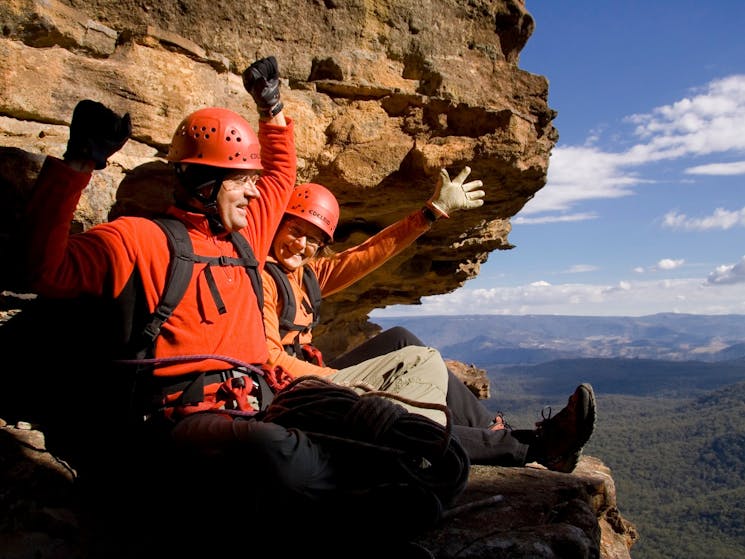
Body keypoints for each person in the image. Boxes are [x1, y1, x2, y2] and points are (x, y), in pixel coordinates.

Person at [25, 56, 459, 556]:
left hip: (266, 400)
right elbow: (44, 271)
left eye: (253, 180)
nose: (257, 193)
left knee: (391, 400)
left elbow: (281, 171)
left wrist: (271, 108)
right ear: (205, 181)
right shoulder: (140, 241)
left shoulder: (245, 239)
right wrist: (77, 165)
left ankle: (379, 474)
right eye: (242, 180)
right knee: (277, 453)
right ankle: (369, 508)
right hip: (186, 418)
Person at [261, 178, 597, 472]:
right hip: (289, 392)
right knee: (405, 386)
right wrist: (337, 380)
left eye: (312, 239)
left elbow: (367, 253)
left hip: (309, 377)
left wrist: (430, 212)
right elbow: (267, 356)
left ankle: (490, 426)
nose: (300, 244)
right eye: (295, 230)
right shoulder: (262, 278)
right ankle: (534, 447)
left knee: (402, 339)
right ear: (277, 224)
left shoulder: (304, 275)